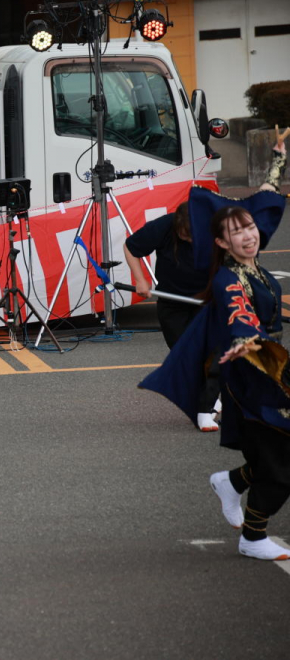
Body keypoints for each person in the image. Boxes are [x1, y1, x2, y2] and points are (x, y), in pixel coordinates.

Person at [141, 129, 290, 561]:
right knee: (280, 468)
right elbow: (239, 317)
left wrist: (278, 160)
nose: (249, 235)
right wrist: (250, 344)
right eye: (237, 232)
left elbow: (264, 199)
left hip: (268, 367)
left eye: (249, 228)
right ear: (221, 243)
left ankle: (232, 482)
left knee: (274, 456)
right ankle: (254, 536)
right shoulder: (228, 280)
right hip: (253, 375)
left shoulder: (253, 260)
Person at [123, 201, 219, 430]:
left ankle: (204, 409)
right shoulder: (165, 226)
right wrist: (140, 279)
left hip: (208, 300)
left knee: (213, 353)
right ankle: (209, 399)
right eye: (186, 237)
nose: (191, 241)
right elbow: (131, 247)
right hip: (172, 302)